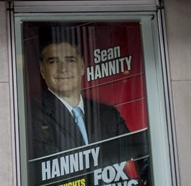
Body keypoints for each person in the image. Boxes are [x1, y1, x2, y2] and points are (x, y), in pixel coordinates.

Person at [28, 31, 129, 159]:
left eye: (70, 60)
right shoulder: (31, 117)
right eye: (53, 61)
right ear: (42, 70)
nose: (63, 69)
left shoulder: (109, 115)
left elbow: (137, 156)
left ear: (82, 66)